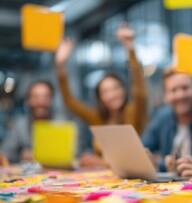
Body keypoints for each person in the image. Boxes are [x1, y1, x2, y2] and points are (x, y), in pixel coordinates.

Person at [55, 23, 147, 168]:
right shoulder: (98, 118)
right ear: (100, 98)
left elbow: (140, 92)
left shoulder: (133, 113)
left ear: (124, 90)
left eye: (116, 88)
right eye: (106, 91)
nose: (112, 94)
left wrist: (130, 48)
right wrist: (60, 65)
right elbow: (70, 101)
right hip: (101, 182)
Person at [0, 80, 57, 163]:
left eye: (46, 97)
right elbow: (5, 152)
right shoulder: (19, 125)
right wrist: (21, 155)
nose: (41, 102)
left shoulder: (61, 123)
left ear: (51, 100)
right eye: (35, 97)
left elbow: (76, 153)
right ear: (28, 100)